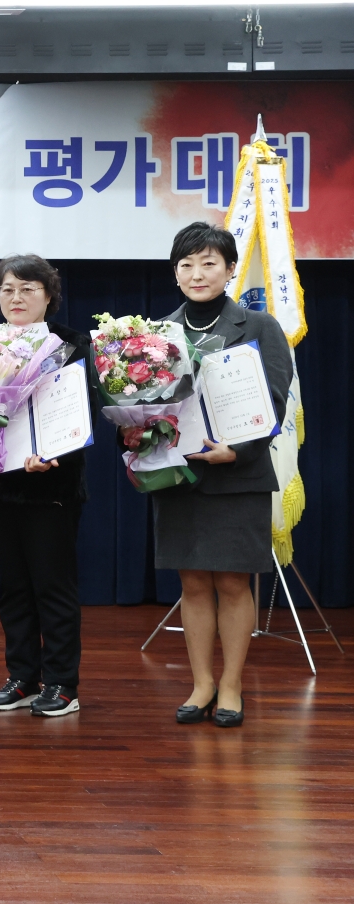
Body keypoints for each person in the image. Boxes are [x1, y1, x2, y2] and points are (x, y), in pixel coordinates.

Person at [158, 222, 291, 729]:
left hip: (238, 474)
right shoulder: (156, 333)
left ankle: (231, 684)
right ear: (175, 273)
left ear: (231, 269)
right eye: (187, 264)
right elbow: (143, 407)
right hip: (181, 475)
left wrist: (236, 450)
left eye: (209, 263)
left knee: (234, 583)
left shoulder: (259, 328)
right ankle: (201, 683)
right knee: (192, 582)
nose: (197, 273)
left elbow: (273, 403)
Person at [0, 255, 95, 718]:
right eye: (7, 290)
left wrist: (52, 451)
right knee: (13, 586)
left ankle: (61, 683)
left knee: (52, 586)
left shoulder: (72, 345)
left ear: (49, 296)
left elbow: (79, 412)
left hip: (50, 483)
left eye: (28, 289)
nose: (16, 298)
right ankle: (22, 676)